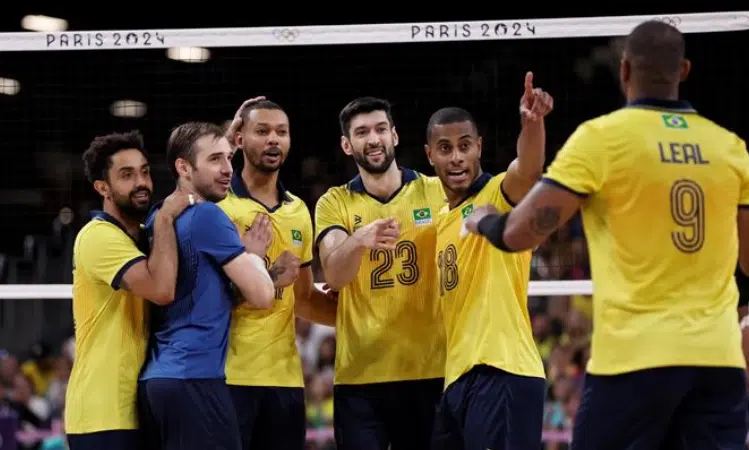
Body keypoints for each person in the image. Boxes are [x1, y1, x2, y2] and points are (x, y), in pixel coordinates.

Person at [465, 20, 749, 449]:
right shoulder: (730, 147)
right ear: (684, 70)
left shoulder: (602, 140)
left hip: (634, 359)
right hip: (717, 361)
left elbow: (519, 235)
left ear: (624, 71)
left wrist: (484, 219)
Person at [425, 72, 554, 450]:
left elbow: (527, 170)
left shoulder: (497, 194)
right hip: (458, 380)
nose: (457, 156)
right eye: (445, 148)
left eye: (465, 145)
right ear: (430, 154)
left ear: (479, 147)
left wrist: (532, 125)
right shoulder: (444, 219)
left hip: (503, 371)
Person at [137, 122, 284, 450]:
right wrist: (255, 257)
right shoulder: (207, 217)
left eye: (229, 158)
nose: (227, 169)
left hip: (159, 381)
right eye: (216, 159)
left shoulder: (159, 216)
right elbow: (262, 296)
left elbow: (194, 291)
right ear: (184, 168)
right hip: (195, 379)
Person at [314, 96, 446, 449]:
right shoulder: (333, 202)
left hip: (430, 371)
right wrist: (359, 240)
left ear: (395, 136)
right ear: (347, 144)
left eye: (380, 129)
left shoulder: (436, 191)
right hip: (360, 378)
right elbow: (336, 275)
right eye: (361, 132)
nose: (373, 139)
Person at [219, 98, 337, 450]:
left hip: (285, 381)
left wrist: (361, 314)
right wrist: (264, 275)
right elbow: (203, 296)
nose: (274, 140)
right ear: (239, 140)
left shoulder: (298, 211)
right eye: (262, 131)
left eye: (281, 132)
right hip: (229, 376)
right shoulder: (216, 205)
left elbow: (301, 299)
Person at [65, 130, 189, 450]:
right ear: (102, 188)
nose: (141, 182)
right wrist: (164, 219)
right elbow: (161, 290)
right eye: (127, 175)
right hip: (101, 415)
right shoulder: (98, 237)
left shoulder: (145, 235)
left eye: (145, 171)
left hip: (138, 409)